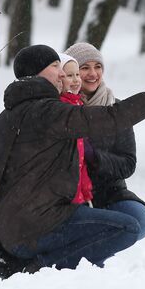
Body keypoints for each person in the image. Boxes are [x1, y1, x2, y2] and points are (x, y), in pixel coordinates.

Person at [0, 44, 145, 278]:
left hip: (10, 228)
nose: (63, 73)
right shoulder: (49, 112)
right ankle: (38, 266)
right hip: (37, 228)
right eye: (56, 66)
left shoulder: (7, 117)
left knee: (131, 221)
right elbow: (112, 117)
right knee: (128, 227)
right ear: (38, 73)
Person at [64, 42, 145, 240]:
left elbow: (128, 163)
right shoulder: (62, 109)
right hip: (70, 196)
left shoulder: (116, 109)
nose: (93, 74)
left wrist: (95, 158)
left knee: (142, 221)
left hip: (109, 192)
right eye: (84, 68)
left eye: (97, 67)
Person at [57, 53, 93, 207]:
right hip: (64, 191)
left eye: (77, 74)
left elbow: (81, 160)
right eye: (70, 75)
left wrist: (86, 190)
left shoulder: (78, 104)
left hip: (77, 189)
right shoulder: (60, 107)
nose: (76, 80)